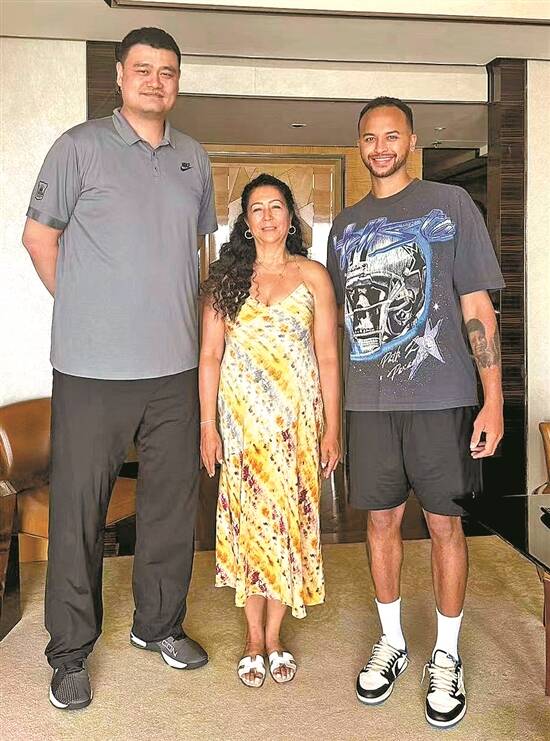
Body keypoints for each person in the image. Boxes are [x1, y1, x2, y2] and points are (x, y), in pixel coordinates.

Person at [22, 27, 217, 710]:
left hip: (174, 370)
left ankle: (157, 625)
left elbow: (195, 254)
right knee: (79, 511)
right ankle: (69, 652)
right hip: (91, 370)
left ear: (177, 82)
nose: (156, 81)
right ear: (119, 76)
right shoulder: (78, 147)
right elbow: (38, 238)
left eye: (168, 71)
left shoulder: (194, 157)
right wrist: (86, 308)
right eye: (143, 69)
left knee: (170, 508)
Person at [326, 97, 504, 728]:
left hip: (441, 399)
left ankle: (446, 654)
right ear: (359, 145)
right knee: (380, 523)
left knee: (444, 525)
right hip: (369, 403)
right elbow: (339, 323)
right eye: (370, 137)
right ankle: (394, 641)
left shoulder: (450, 205)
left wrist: (492, 397)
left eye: (391, 135)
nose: (381, 147)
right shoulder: (344, 227)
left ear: (412, 141)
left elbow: (477, 307)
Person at [199, 173, 340, 687]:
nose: (267, 217)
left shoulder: (313, 276)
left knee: (287, 524)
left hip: (297, 428)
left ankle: (274, 636)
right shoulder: (226, 280)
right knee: (250, 526)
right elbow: (210, 356)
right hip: (242, 429)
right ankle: (252, 638)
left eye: (275, 206)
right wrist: (207, 426)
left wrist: (333, 427)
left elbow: (328, 356)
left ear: (290, 216)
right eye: (256, 208)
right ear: (245, 221)